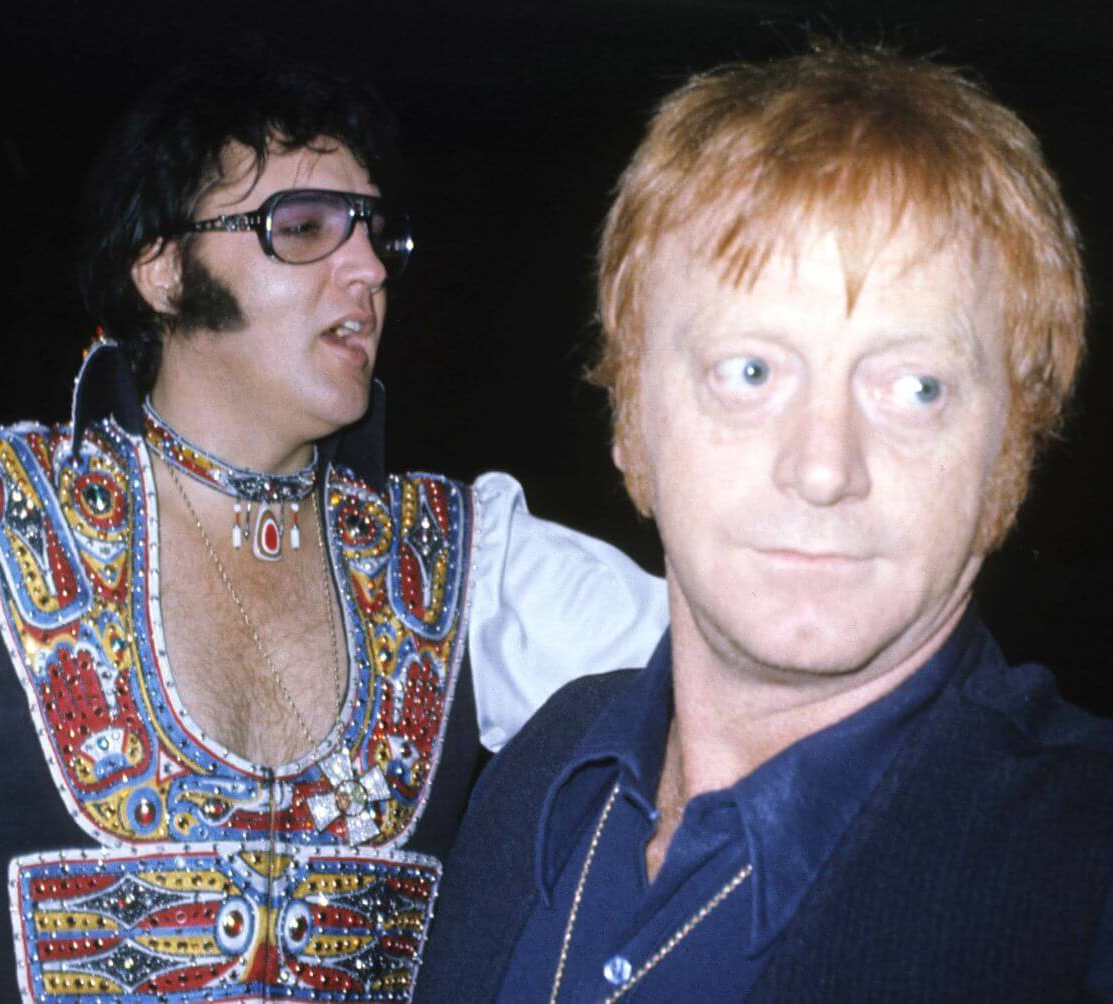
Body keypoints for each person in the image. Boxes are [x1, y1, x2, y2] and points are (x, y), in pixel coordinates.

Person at [0, 60, 668, 1002]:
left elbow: (750, 680)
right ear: (162, 268)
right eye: (304, 226)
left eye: (377, 235)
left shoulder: (469, 560)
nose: (366, 270)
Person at [419, 45, 1113, 1001]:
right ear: (632, 423)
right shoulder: (542, 770)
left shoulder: (1082, 879)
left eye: (915, 388)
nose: (824, 468)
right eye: (749, 372)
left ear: (1011, 455)